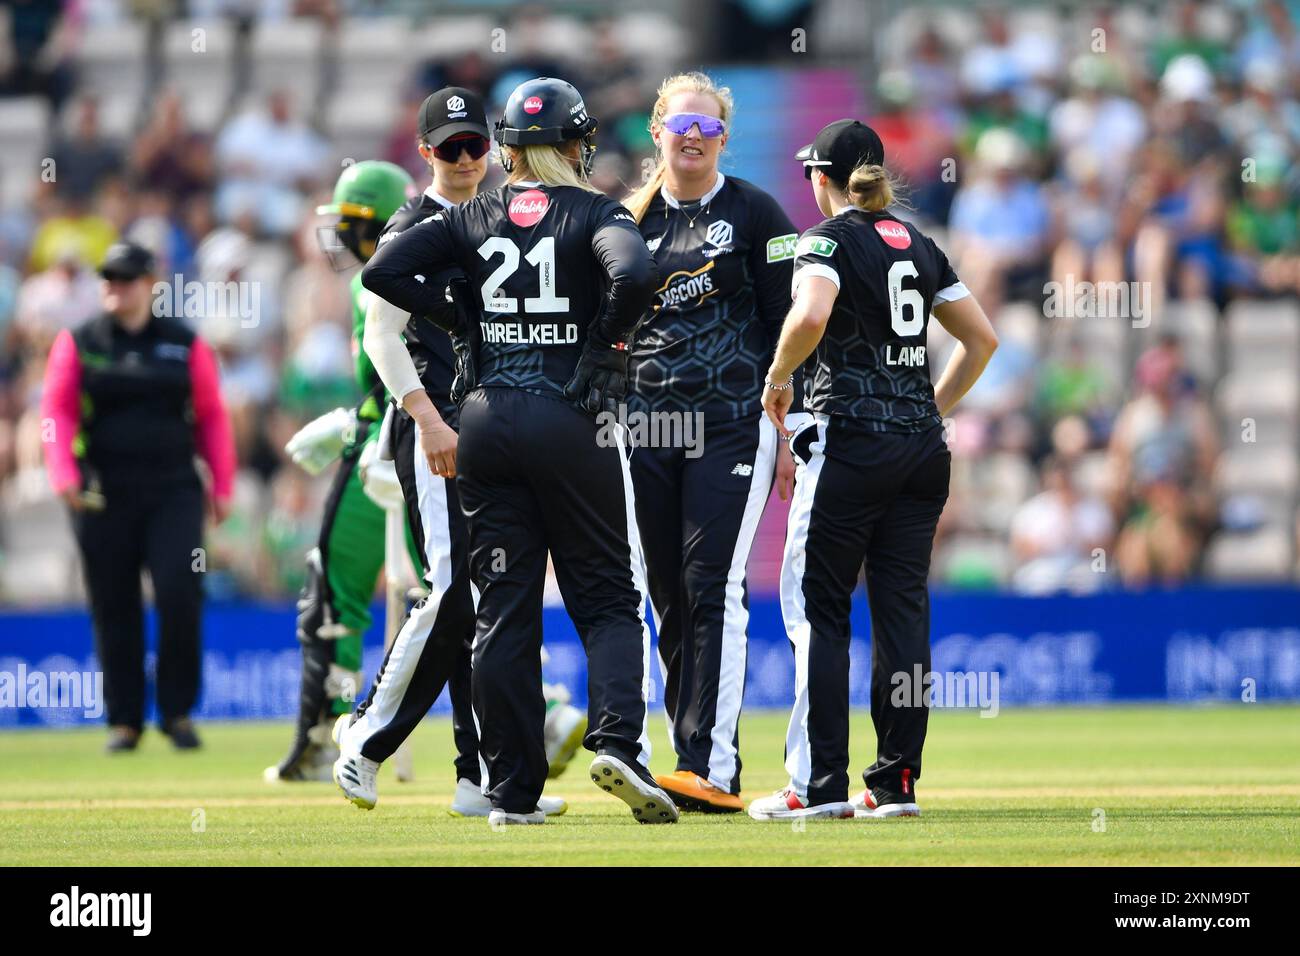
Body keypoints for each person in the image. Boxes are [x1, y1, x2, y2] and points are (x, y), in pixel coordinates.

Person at [360, 77, 677, 826]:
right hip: (572, 419)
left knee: (502, 608)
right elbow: (634, 274)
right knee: (606, 597)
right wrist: (604, 344)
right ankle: (620, 747)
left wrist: (460, 311)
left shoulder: (472, 215)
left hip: (484, 425)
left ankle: (510, 794)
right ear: (576, 143)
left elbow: (382, 272)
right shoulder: (596, 210)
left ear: (505, 149)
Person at [327, 91, 585, 819]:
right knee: (451, 590)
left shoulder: (498, 219)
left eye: (476, 145)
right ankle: (366, 736)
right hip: (436, 426)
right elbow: (382, 334)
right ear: (426, 153)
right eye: (451, 148)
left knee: (485, 602)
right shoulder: (416, 223)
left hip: (487, 425)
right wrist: (426, 419)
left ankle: (481, 778)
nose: (467, 159)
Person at [749, 120, 998, 820]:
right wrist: (930, 406)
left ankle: (819, 784)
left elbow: (809, 315)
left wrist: (777, 375)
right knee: (902, 614)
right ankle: (895, 785)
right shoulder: (918, 243)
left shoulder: (824, 240)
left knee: (821, 611)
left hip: (851, 440)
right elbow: (982, 340)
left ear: (823, 179)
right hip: (919, 451)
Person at [621, 72, 801, 813]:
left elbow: (793, 325)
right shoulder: (624, 222)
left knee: (713, 585)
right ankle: (683, 756)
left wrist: (790, 428)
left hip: (735, 419)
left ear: (723, 137)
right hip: (644, 425)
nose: (693, 139)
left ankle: (713, 767)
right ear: (658, 129)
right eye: (681, 126)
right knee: (667, 593)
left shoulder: (757, 212)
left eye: (708, 129)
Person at [40, 240, 237, 752]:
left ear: (152, 285)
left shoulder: (183, 343)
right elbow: (55, 413)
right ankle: (124, 720)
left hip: (173, 491)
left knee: (179, 592)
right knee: (114, 604)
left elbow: (212, 415)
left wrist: (223, 484)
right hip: (102, 494)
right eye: (108, 278)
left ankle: (176, 712)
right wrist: (63, 472)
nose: (115, 287)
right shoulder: (79, 342)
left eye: (126, 278)